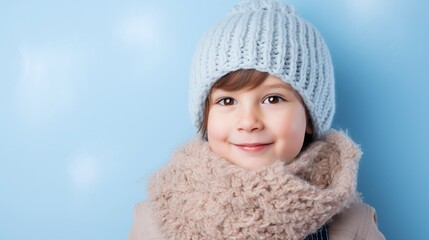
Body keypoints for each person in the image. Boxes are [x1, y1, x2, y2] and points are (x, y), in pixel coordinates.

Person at [129, 0, 385, 239]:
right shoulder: (155, 221)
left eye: (273, 99)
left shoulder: (352, 225)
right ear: (205, 117)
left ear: (309, 117)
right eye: (227, 101)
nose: (248, 121)